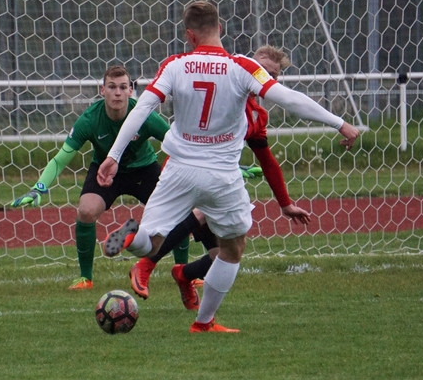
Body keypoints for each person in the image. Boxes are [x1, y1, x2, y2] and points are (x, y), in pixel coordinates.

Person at [97, 1, 359, 333]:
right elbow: (289, 98)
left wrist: (114, 155)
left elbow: (143, 108)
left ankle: (133, 236)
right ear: (220, 28)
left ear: (190, 35)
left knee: (153, 240)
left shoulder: (175, 65)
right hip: (221, 175)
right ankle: (204, 323)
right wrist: (339, 123)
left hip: (178, 169)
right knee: (233, 248)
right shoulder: (242, 67)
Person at [126, 44, 312, 305]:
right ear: (249, 63)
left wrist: (285, 203)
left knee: (226, 252)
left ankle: (184, 274)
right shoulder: (224, 84)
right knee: (199, 212)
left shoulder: (257, 115)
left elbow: (267, 161)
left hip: (218, 179)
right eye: (262, 70)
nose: (266, 77)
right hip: (187, 172)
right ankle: (146, 265)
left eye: (272, 75)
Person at [9, 64, 188, 290]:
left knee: (178, 209)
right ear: (102, 90)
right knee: (85, 210)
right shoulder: (90, 119)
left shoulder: (145, 116)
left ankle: (184, 271)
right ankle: (86, 278)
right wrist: (39, 187)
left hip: (144, 170)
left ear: (131, 91)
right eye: (112, 87)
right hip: (105, 172)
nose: (117, 92)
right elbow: (61, 158)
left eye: (123, 87)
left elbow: (181, 146)